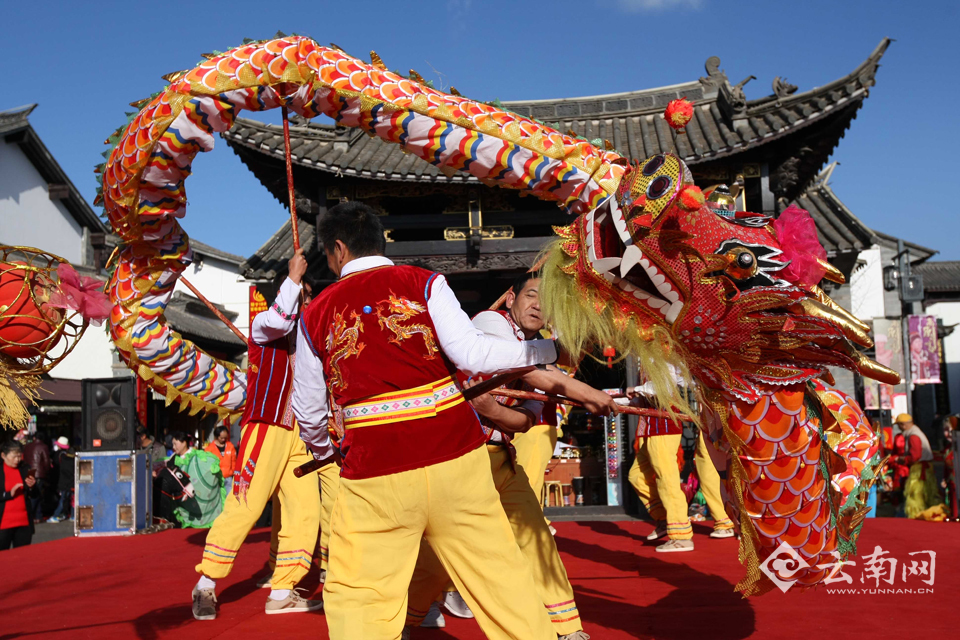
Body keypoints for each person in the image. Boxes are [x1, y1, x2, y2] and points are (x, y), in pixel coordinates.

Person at [294, 201, 560, 640]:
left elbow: (308, 411)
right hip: (456, 456)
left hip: (374, 471)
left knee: (361, 595)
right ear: (380, 242)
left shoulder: (315, 314)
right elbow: (473, 354)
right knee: (501, 580)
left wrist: (329, 453)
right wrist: (549, 351)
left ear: (337, 249)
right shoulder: (424, 282)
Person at [406, 272, 614, 638]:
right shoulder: (490, 323)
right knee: (438, 559)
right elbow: (520, 368)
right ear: (511, 297)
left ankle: (567, 628)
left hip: (502, 458)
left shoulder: (543, 359)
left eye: (547, 302)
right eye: (532, 295)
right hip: (462, 459)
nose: (538, 305)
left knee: (536, 536)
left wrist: (492, 410)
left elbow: (523, 421)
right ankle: (403, 620)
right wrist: (580, 389)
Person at [192, 249, 322, 620]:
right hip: (267, 428)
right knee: (246, 506)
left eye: (311, 296)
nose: (309, 302)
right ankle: (205, 585)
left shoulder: (311, 343)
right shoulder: (266, 324)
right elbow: (281, 320)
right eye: (304, 295)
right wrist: (294, 278)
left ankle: (282, 590)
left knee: (303, 512)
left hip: (302, 435)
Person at [894, 413, 945, 519]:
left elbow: (915, 456)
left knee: (915, 494)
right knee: (928, 492)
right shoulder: (915, 432)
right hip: (924, 467)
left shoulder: (913, 435)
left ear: (903, 425)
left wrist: (902, 459)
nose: (898, 428)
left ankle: (916, 515)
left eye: (899, 425)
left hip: (919, 468)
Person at [169, 432, 224, 529]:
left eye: (175, 444)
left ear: (184, 443)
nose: (174, 447)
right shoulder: (173, 459)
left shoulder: (198, 456)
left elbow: (208, 468)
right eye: (173, 444)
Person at [1, 440, 38, 550]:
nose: (17, 460)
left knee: (22, 557)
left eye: (19, 456)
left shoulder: (25, 468)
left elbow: (35, 495)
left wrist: (32, 486)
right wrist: (8, 494)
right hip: (3, 523)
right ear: (3, 455)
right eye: (14, 457)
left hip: (23, 521)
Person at [23, 435, 51, 522]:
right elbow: (46, 461)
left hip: (29, 471)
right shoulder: (43, 446)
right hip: (39, 473)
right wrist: (47, 472)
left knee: (35, 494)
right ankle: (30, 515)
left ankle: (38, 516)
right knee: (35, 495)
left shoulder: (27, 446)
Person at [48, 437, 75, 523]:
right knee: (71, 499)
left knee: (63, 499)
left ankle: (57, 515)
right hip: (69, 480)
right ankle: (72, 515)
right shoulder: (68, 457)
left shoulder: (59, 456)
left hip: (63, 480)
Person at [204, 427, 237, 495]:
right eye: (221, 438)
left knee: (229, 497)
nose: (224, 439)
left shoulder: (230, 446)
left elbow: (234, 461)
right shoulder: (209, 449)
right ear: (216, 436)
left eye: (225, 437)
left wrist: (232, 472)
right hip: (216, 478)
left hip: (229, 478)